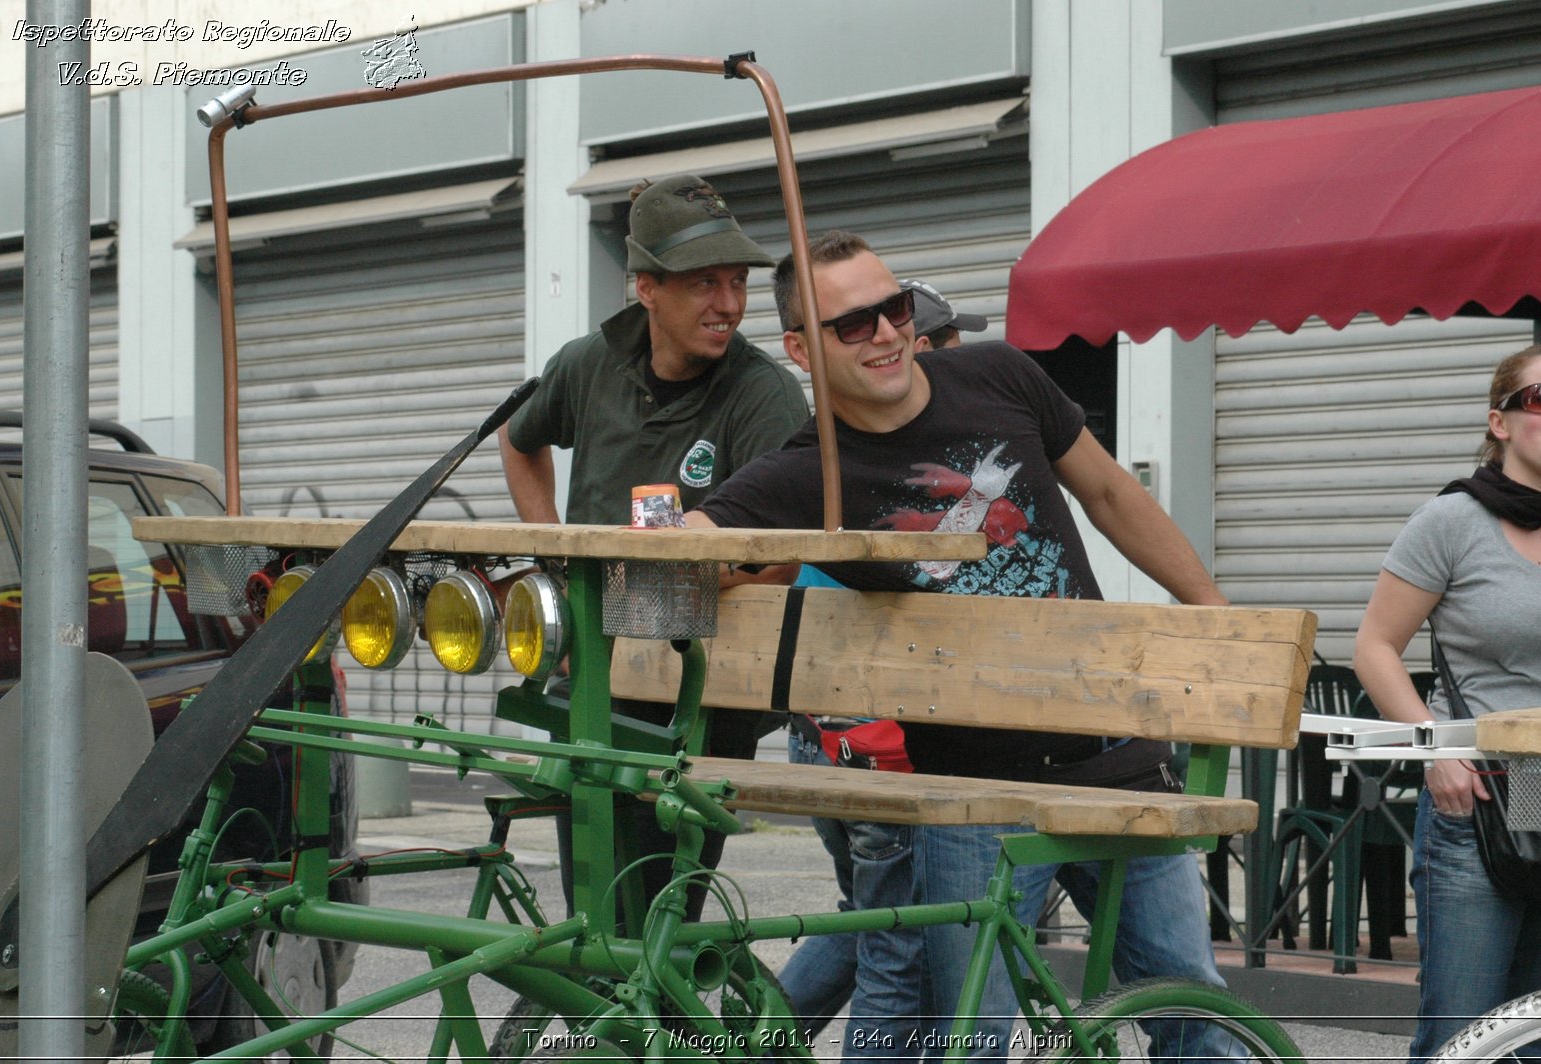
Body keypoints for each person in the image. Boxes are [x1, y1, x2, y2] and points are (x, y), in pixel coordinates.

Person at [687, 230, 1233, 1058]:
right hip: (969, 791)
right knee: (970, 1039)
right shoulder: (807, 473)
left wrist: (1211, 617)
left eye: (894, 308)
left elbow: (1115, 496)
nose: (885, 334)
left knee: (1199, 1023)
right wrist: (709, 552)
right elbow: (688, 542)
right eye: (852, 324)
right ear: (799, 349)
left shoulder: (998, 373)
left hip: (1116, 749)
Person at [498, 174, 809, 925]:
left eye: (737, 282)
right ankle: (604, 1037)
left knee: (661, 921)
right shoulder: (589, 364)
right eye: (705, 283)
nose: (729, 304)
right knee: (593, 913)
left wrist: (649, 594)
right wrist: (555, 568)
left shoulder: (763, 394)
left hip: (701, 694)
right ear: (646, 288)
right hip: (593, 679)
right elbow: (518, 440)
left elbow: (782, 556)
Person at [1352, 343, 1541, 1062]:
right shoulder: (1453, 520)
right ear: (1500, 421)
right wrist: (1437, 751)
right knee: (1458, 1037)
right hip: (1475, 796)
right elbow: (1374, 647)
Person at [778, 277, 987, 1050]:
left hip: (822, 725)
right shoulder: (895, 462)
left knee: (871, 917)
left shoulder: (848, 453)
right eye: (950, 350)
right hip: (876, 733)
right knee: (896, 940)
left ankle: (748, 1039)